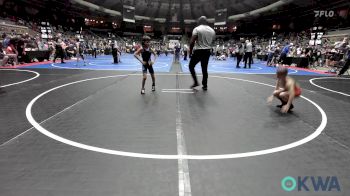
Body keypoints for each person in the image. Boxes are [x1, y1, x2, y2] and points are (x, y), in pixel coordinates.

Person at [189, 16, 215, 90]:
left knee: (191, 66)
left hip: (199, 51)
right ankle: (205, 85)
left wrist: (190, 52)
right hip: (207, 51)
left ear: (199, 22)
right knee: (204, 68)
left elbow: (192, 42)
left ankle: (196, 82)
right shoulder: (212, 30)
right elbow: (212, 41)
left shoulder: (197, 29)